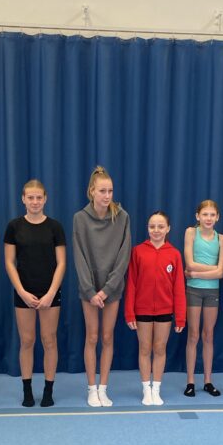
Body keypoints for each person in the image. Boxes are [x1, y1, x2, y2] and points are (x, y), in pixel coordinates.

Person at [72, 166, 131, 407]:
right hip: (89, 288)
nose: (107, 196)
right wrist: (90, 291)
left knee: (107, 337)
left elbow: (124, 255)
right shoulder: (80, 218)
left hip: (112, 288)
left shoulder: (122, 217)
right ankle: (91, 388)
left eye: (110, 191)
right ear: (92, 191)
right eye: (102, 191)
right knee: (92, 336)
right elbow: (79, 255)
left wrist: (107, 289)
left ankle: (103, 388)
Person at [4, 180, 66, 408]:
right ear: (23, 199)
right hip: (24, 291)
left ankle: (48, 390)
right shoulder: (14, 227)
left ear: (45, 199)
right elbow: (9, 262)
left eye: (39, 197)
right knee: (27, 340)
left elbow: (61, 263)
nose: (35, 202)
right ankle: (27, 390)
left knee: (49, 340)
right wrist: (21, 291)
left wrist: (51, 293)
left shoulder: (55, 227)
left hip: (50, 292)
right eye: (30, 197)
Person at [125, 211, 186, 405]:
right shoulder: (138, 251)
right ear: (147, 228)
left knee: (160, 348)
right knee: (144, 348)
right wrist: (129, 312)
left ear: (168, 229)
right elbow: (131, 283)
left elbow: (179, 287)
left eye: (161, 226)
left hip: (165, 311)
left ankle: (156, 389)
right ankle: (146, 389)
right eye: (152, 226)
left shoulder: (174, 254)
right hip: (141, 310)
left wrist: (180, 316)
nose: (156, 230)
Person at [183, 200, 223, 397]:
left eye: (212, 215)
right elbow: (190, 263)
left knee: (208, 335)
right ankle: (190, 381)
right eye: (205, 214)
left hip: (212, 292)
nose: (208, 218)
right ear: (197, 216)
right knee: (193, 335)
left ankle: (208, 381)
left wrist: (196, 273)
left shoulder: (222, 239)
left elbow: (221, 273)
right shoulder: (191, 233)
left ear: (217, 217)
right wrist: (213, 269)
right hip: (193, 290)